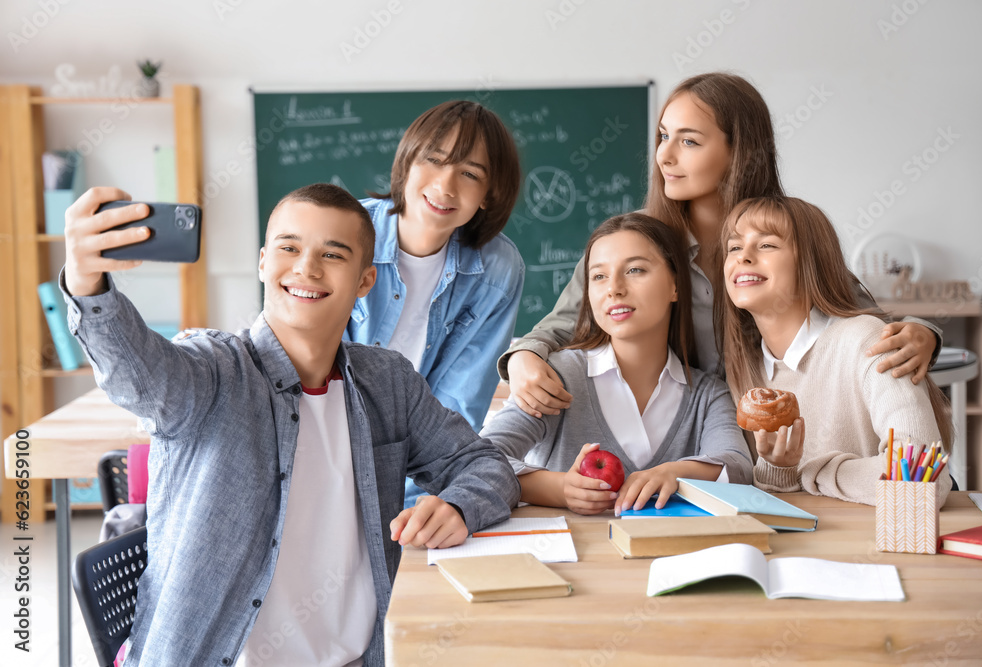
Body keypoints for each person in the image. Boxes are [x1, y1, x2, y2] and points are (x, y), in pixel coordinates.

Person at [62, 184, 519, 666]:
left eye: (332, 254)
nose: (306, 267)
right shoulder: (215, 369)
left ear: (366, 282)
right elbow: (138, 378)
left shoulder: (387, 381)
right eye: (289, 248)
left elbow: (485, 465)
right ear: (263, 262)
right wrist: (86, 282)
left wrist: (460, 507)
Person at [499, 72, 941, 418]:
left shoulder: (788, 232)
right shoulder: (634, 243)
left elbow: (860, 316)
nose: (665, 156)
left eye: (688, 141)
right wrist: (522, 358)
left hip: (778, 449)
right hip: (678, 446)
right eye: (663, 136)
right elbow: (560, 326)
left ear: (740, 151)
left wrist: (925, 335)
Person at [482, 213, 752, 516]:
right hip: (571, 560)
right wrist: (558, 489)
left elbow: (739, 467)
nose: (614, 288)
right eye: (598, 276)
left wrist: (675, 473)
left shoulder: (708, 394)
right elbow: (480, 457)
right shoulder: (560, 376)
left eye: (635, 270)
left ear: (675, 285)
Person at [720, 196, 951, 507]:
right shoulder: (745, 369)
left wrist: (812, 473)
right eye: (734, 247)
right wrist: (780, 471)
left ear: (810, 261)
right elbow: (783, 506)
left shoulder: (865, 340)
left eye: (766, 245)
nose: (742, 257)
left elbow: (922, 478)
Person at [348, 100, 524, 506]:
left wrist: (407, 503)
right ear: (407, 161)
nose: (446, 186)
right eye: (434, 160)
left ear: (488, 194)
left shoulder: (498, 269)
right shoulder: (347, 231)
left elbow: (457, 408)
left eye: (469, 174)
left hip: (410, 483)